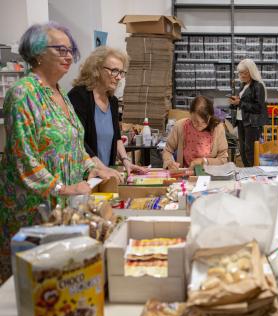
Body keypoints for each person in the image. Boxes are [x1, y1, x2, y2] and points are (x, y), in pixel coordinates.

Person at [0, 22, 117, 281]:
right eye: (60, 49)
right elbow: (24, 158)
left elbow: (74, 143)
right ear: (38, 52)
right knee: (28, 289)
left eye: (70, 50)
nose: (68, 56)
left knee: (57, 285)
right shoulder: (23, 94)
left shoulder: (60, 94)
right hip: (31, 211)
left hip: (59, 209)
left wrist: (91, 166)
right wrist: (63, 189)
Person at [68, 46, 147, 176]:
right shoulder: (79, 96)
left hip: (106, 174)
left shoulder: (112, 101)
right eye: (114, 71)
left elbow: (117, 137)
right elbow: (78, 140)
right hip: (85, 175)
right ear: (97, 69)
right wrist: (101, 169)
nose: (118, 77)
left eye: (121, 72)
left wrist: (126, 161)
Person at [163, 96, 228, 169]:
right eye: (195, 121)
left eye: (204, 122)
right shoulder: (180, 126)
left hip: (210, 175)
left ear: (210, 116)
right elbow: (167, 150)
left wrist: (204, 161)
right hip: (185, 173)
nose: (199, 125)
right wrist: (169, 162)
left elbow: (223, 159)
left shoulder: (218, 128)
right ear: (190, 113)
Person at [228, 59, 268, 167]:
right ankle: (248, 172)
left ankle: (254, 174)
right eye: (240, 72)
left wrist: (240, 102)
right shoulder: (243, 85)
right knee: (242, 150)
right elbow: (242, 103)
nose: (242, 75)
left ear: (251, 71)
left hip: (252, 123)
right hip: (242, 121)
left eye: (244, 73)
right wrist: (234, 102)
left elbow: (258, 108)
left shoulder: (258, 86)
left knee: (250, 151)